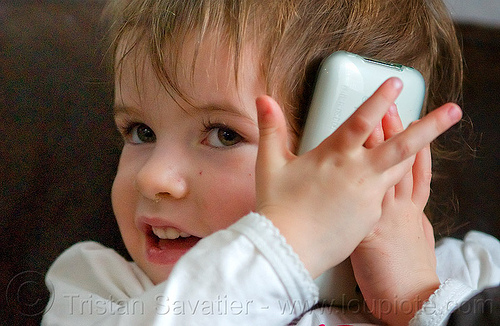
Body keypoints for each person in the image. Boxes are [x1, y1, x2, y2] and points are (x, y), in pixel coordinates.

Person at [42, 0, 500, 325]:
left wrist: (422, 302)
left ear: (364, 154)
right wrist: (287, 246)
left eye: (224, 135)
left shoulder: (473, 275)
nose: (152, 176)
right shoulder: (97, 292)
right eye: (141, 132)